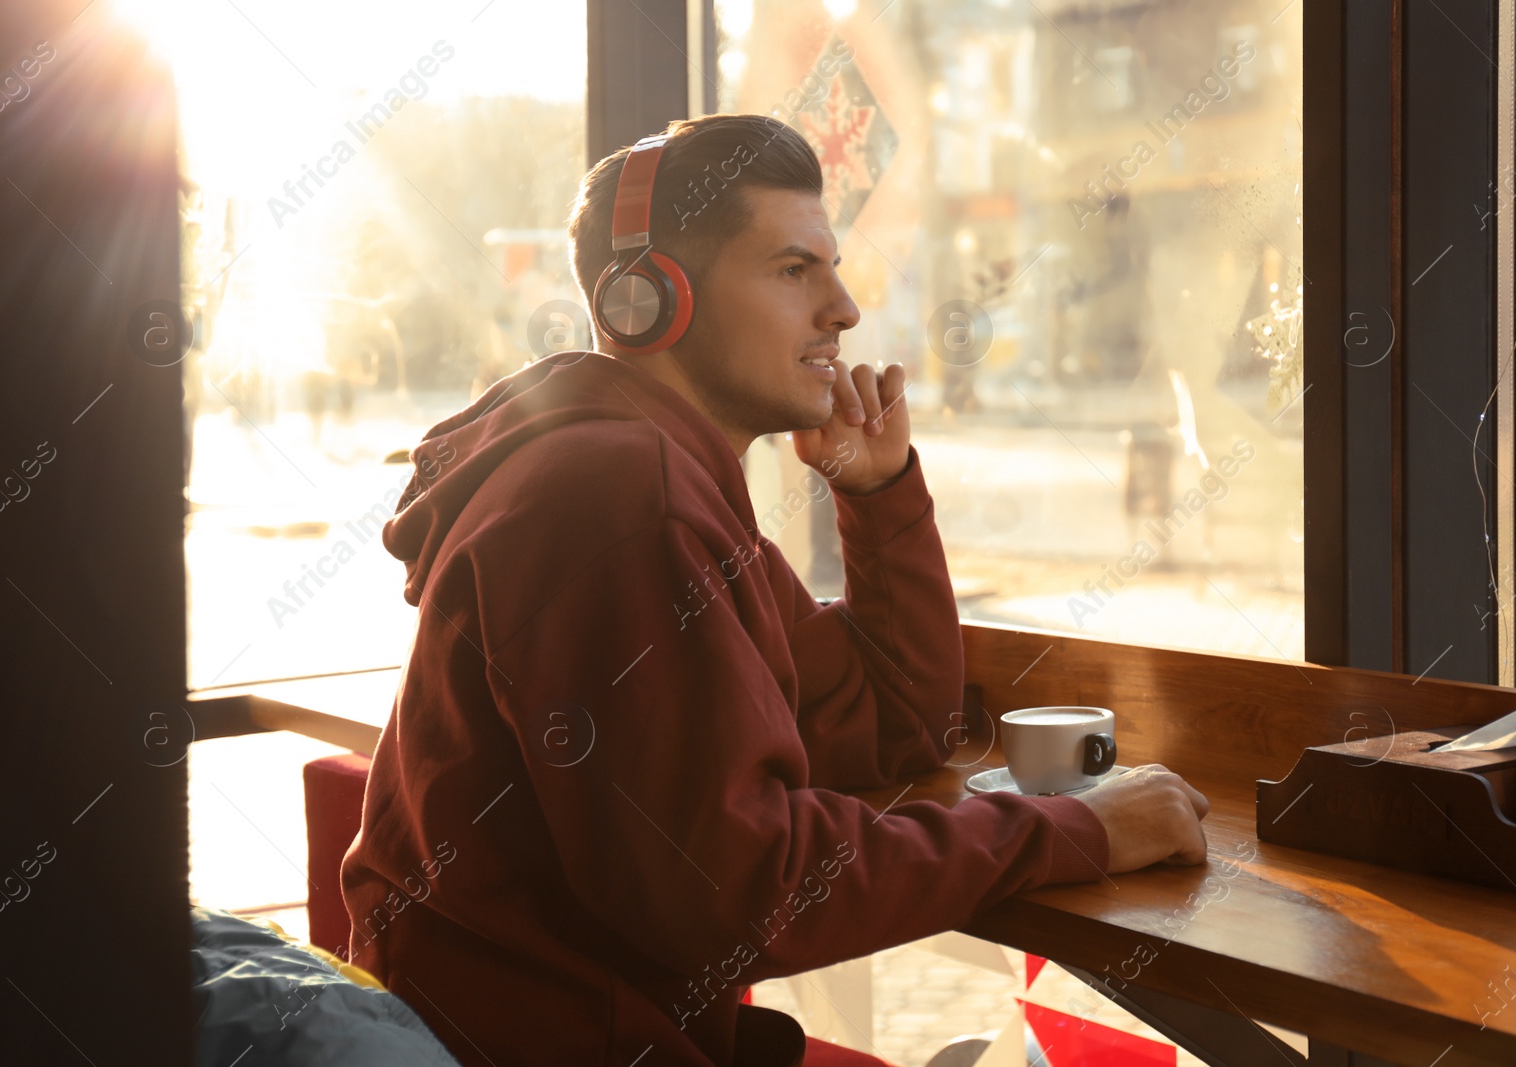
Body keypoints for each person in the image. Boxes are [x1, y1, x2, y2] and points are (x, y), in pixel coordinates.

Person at [340, 113, 1210, 1067]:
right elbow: (742, 889)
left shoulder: (666, 479)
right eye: (794, 269)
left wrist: (877, 495)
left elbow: (887, 720)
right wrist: (1073, 830)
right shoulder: (621, 496)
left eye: (833, 268)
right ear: (651, 300)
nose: (842, 308)